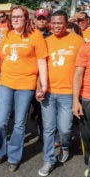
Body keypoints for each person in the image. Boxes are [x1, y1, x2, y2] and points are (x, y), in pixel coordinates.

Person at [0, 6, 48, 172]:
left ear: (26, 19)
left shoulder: (35, 36)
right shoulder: (6, 35)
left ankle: (14, 156)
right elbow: (0, 60)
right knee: (1, 121)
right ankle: (0, 152)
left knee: (19, 123)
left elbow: (41, 62)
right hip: (5, 82)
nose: (15, 19)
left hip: (26, 84)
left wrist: (43, 85)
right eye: (13, 17)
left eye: (19, 17)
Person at [37, 10, 85, 176]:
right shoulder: (46, 41)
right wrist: (39, 87)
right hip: (48, 93)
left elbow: (82, 70)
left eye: (60, 23)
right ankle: (48, 160)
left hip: (67, 94)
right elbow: (40, 66)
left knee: (64, 130)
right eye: (54, 23)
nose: (56, 26)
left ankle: (65, 146)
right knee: (48, 129)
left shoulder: (78, 41)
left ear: (67, 24)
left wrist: (78, 96)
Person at [73, 40, 90, 177]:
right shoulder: (87, 47)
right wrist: (75, 101)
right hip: (88, 100)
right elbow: (78, 75)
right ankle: (89, 162)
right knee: (87, 137)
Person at [31, 8, 52, 142]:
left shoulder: (51, 36)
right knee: (30, 107)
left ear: (48, 20)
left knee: (42, 106)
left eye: (44, 18)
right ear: (35, 20)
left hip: (44, 77)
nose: (41, 20)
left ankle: (43, 132)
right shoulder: (29, 35)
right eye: (39, 18)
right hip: (29, 76)